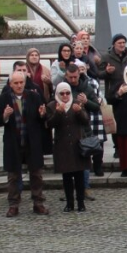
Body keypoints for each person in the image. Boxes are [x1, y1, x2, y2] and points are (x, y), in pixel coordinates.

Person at [0, 70, 49, 218]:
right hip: (13, 142)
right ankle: (13, 205)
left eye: (21, 82)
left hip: (32, 141)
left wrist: (43, 114)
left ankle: (38, 203)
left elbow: (42, 118)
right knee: (13, 176)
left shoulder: (34, 96)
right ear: (10, 84)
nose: (19, 85)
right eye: (16, 83)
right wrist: (5, 115)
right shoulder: (3, 98)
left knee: (36, 174)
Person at [45, 82, 90, 212]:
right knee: (67, 177)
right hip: (62, 145)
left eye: (67, 93)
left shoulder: (77, 103)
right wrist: (58, 113)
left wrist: (79, 112)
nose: (65, 96)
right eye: (62, 93)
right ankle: (69, 203)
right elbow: (49, 124)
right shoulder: (52, 106)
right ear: (57, 94)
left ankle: (81, 203)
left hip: (77, 144)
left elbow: (86, 120)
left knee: (79, 176)